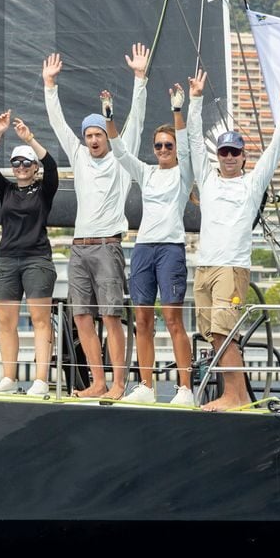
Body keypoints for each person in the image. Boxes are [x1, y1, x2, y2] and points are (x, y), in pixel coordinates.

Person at [187, 69, 280, 411]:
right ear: (218, 155)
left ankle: (234, 395)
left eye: (236, 152)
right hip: (205, 266)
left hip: (232, 268)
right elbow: (192, 140)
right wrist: (195, 101)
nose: (230, 157)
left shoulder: (252, 185)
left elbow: (277, 147)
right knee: (213, 333)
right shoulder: (207, 180)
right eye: (225, 152)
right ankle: (240, 394)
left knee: (224, 331)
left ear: (244, 157)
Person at [43, 44, 148, 400]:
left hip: (107, 245)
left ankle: (119, 383)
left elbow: (136, 118)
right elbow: (57, 124)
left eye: (97, 135)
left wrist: (139, 78)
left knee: (111, 316)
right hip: (78, 247)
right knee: (82, 318)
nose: (92, 141)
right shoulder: (79, 155)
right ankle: (98, 382)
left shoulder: (120, 156)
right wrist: (49, 86)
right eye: (88, 136)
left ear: (107, 136)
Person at [103, 84, 195, 406]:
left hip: (171, 248)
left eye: (167, 144)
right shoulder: (146, 172)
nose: (163, 149)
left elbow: (185, 146)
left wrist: (177, 111)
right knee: (142, 320)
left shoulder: (184, 173)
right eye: (158, 145)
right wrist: (110, 117)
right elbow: (119, 152)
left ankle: (185, 388)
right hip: (143, 248)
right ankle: (145, 385)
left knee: (173, 320)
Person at [0, 111, 58, 396]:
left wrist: (30, 139)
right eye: (16, 162)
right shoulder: (7, 190)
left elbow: (51, 167)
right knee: (6, 321)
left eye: (27, 162)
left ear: (34, 166)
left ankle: (40, 379)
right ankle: (9, 378)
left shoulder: (44, 190)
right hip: (6, 259)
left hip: (37, 258)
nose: (22, 166)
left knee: (39, 320)